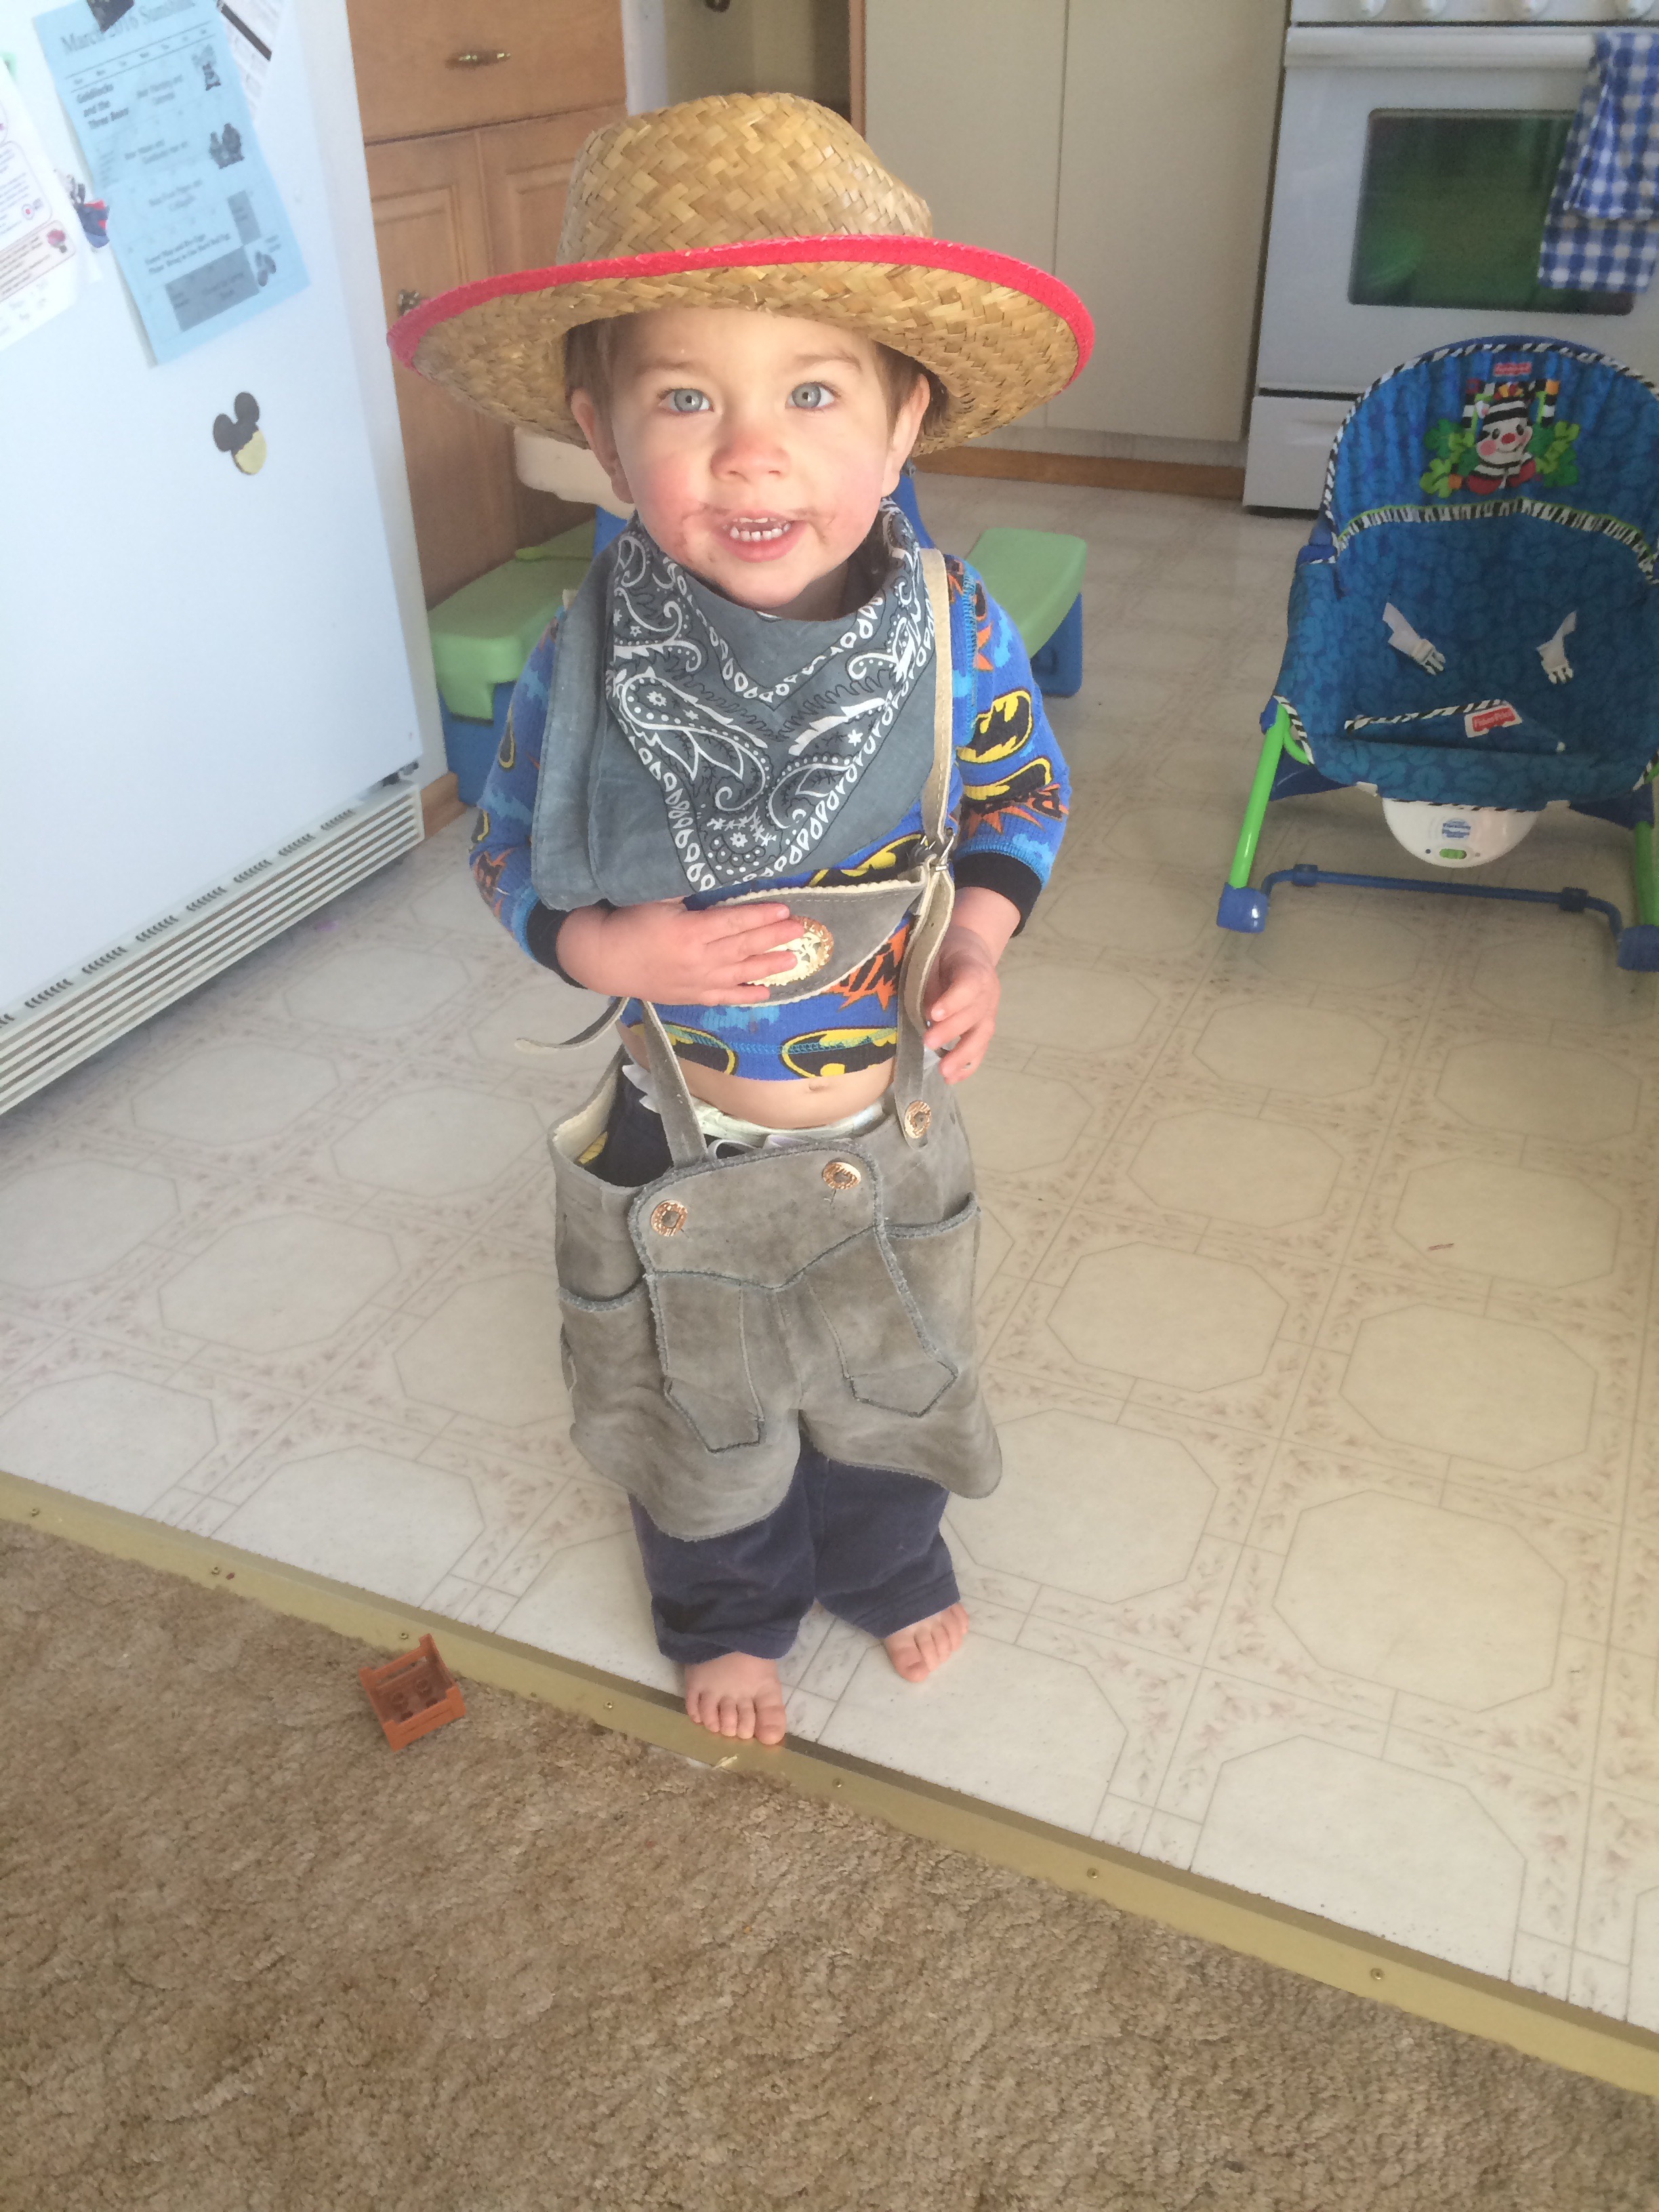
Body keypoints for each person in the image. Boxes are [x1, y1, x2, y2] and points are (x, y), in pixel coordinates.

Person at [390, 94, 1090, 1751]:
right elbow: (509, 848)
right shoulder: (584, 656)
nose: (751, 452)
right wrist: (603, 951)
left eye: (814, 393)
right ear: (601, 432)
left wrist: (980, 944)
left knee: (889, 1363)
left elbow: (1018, 798)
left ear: (906, 424)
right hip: (678, 1127)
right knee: (698, 1405)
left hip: (883, 1114)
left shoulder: (951, 626)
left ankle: (888, 1559)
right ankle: (725, 1612)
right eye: (686, 399)